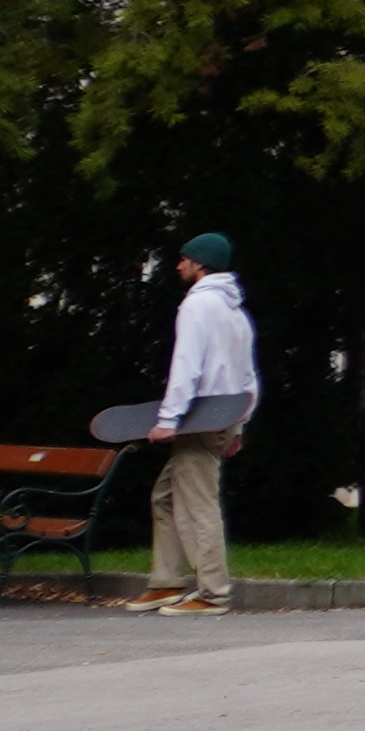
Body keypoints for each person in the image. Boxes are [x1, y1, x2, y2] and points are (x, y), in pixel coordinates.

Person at [121, 232, 256, 614]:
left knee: (197, 505)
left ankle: (213, 592)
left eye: (184, 259)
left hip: (198, 420)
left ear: (200, 264)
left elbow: (187, 367)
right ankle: (166, 583)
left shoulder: (198, 306)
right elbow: (248, 378)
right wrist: (239, 425)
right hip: (221, 418)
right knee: (164, 497)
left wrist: (168, 419)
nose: (179, 265)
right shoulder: (236, 313)